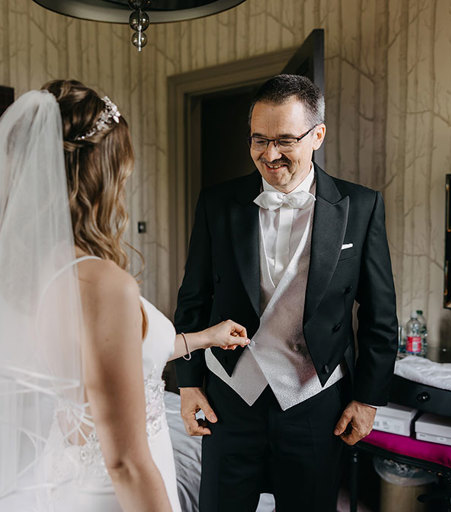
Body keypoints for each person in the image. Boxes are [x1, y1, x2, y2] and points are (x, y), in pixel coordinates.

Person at [0, 80, 249, 512]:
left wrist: (204, 337)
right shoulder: (102, 284)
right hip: (116, 496)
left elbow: (106, 366)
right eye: (122, 168)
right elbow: (127, 464)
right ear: (101, 174)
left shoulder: (14, 276)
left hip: (65, 482)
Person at [174, 74, 398, 512]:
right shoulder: (218, 203)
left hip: (315, 401)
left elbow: (379, 314)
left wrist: (368, 398)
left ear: (317, 136)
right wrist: (187, 383)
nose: (269, 154)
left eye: (284, 140)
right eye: (259, 139)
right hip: (230, 396)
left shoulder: (361, 206)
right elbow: (193, 297)